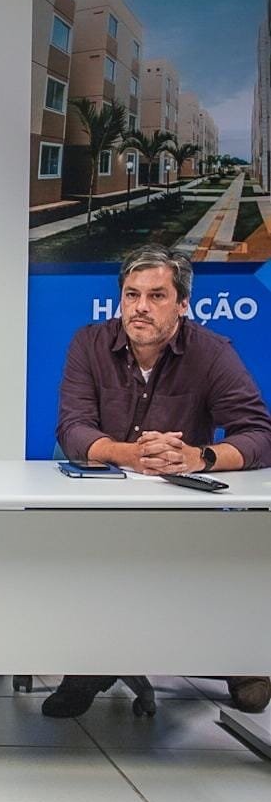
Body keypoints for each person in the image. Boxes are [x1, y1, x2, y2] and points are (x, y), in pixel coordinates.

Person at [46, 244, 271, 718]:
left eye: (156, 296)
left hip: (181, 503)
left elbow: (258, 434)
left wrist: (199, 456)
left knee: (228, 553)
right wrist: (131, 455)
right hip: (102, 501)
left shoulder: (211, 353)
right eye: (131, 295)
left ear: (183, 304)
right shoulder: (89, 344)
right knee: (80, 559)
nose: (140, 308)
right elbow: (73, 429)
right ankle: (87, 667)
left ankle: (240, 657)